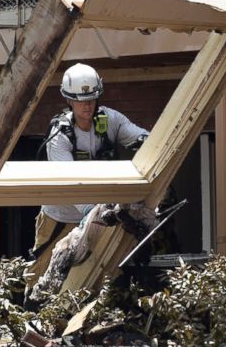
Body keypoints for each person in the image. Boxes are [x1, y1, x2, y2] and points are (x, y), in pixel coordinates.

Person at [26, 63, 149, 287]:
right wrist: (93, 213)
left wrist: (150, 143)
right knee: (42, 272)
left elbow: (140, 137)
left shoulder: (111, 121)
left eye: (92, 99)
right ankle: (31, 311)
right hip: (59, 215)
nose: (87, 105)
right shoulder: (60, 135)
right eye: (81, 101)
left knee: (92, 272)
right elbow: (69, 182)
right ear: (69, 100)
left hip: (97, 213)